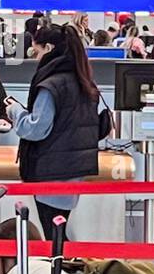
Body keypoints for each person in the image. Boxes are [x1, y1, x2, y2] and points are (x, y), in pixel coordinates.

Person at [10, 24, 105, 232]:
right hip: (73, 170)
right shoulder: (83, 80)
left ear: (49, 48)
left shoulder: (52, 85)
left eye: (37, 51)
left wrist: (16, 111)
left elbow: (35, 129)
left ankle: (62, 265)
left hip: (52, 170)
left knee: (52, 238)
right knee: (57, 233)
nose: (35, 58)